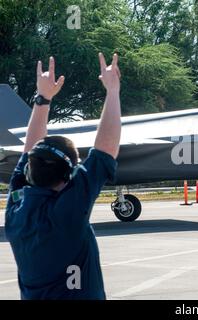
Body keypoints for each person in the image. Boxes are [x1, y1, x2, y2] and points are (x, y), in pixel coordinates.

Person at [5, 53, 122, 300]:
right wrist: (112, 91)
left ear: (29, 171)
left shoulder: (16, 208)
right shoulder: (66, 215)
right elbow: (105, 149)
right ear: (68, 175)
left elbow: (102, 153)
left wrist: (43, 99)